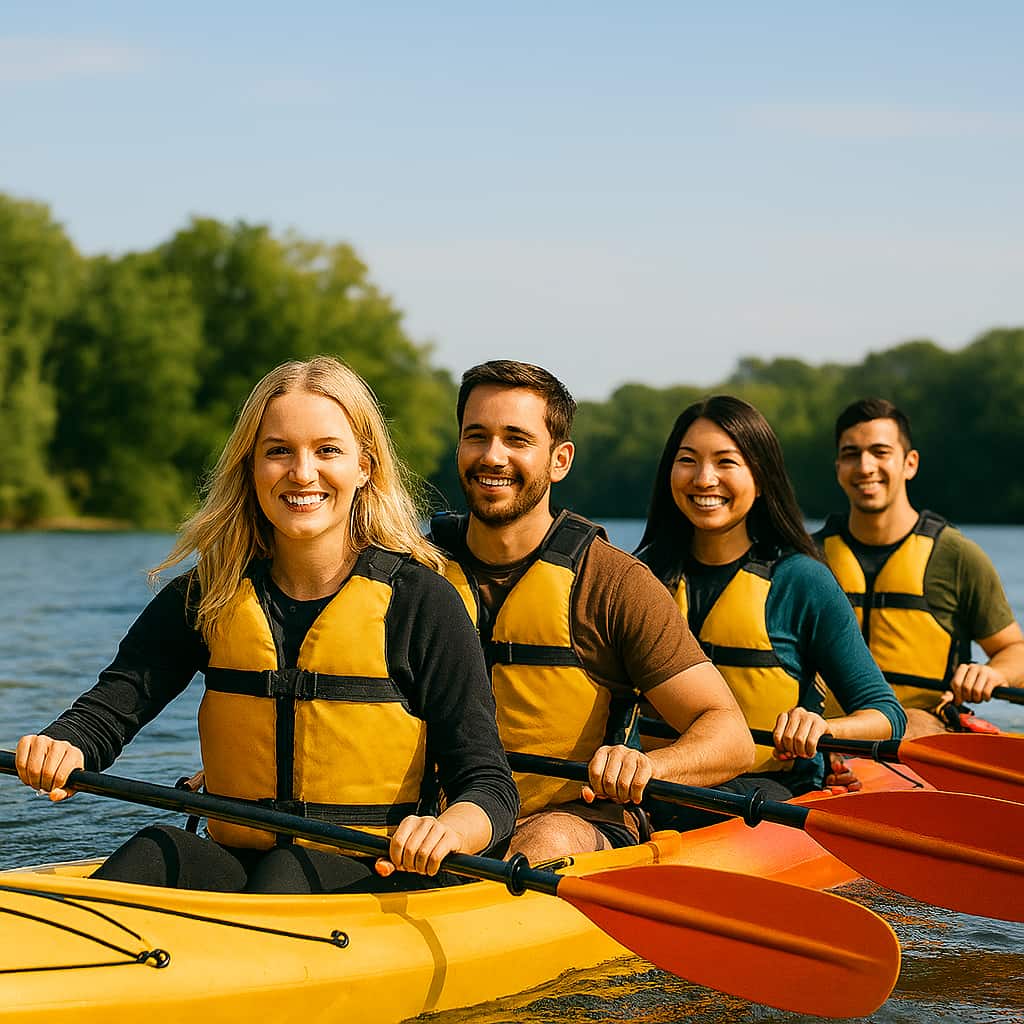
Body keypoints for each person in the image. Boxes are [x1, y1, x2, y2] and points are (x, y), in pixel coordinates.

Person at [15, 356, 519, 893]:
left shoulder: (423, 603)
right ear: (251, 467)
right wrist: (63, 743)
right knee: (156, 847)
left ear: (365, 466)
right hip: (242, 862)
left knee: (287, 871)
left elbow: (488, 786)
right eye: (278, 451)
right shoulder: (209, 594)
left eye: (328, 450)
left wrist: (448, 831)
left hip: (376, 871)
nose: (302, 473)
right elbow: (110, 709)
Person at [429, 360, 754, 863]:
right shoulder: (415, 572)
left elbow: (730, 736)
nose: (493, 456)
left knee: (548, 842)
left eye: (517, 439)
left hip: (567, 820)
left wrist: (648, 766)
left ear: (560, 460)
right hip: (433, 827)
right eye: (477, 436)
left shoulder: (615, 583)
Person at [635, 395, 905, 815]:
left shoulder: (801, 580)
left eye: (726, 462)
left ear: (760, 478)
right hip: (655, 782)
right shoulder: (638, 575)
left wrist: (822, 726)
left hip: (769, 791)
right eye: (688, 460)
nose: (705, 479)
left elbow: (887, 715)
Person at [815, 397, 1024, 739]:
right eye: (851, 454)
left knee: (911, 721)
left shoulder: (956, 555)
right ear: (838, 466)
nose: (865, 467)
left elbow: (1014, 650)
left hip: (925, 733)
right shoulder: (807, 558)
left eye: (880, 452)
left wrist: (993, 674)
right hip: (829, 738)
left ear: (909, 463)